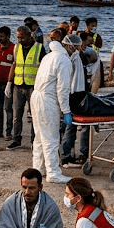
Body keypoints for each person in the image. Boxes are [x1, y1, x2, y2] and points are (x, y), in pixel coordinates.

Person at [31, 38, 73, 183]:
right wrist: (66, 110)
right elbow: (63, 88)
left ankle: (38, 169)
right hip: (47, 100)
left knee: (39, 136)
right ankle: (53, 173)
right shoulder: (63, 60)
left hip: (36, 96)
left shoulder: (48, 56)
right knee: (51, 138)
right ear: (69, 46)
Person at [7, 25, 41, 149]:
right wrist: (9, 83)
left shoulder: (39, 48)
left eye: (22, 37)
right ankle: (16, 139)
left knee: (34, 115)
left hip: (33, 86)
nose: (19, 40)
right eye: (18, 38)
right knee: (17, 115)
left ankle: (34, 140)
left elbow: (43, 67)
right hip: (18, 85)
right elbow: (14, 64)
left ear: (29, 35)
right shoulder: (16, 48)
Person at [59, 34, 88, 167]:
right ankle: (66, 156)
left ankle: (67, 155)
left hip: (74, 95)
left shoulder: (73, 58)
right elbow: (70, 81)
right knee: (69, 127)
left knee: (68, 127)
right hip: (72, 95)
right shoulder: (71, 59)